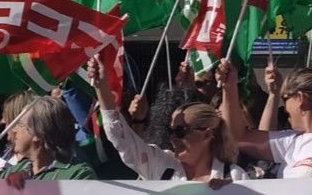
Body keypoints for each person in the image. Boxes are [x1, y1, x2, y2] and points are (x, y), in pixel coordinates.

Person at [89, 55, 244, 182]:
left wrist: (229, 194)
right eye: (171, 131)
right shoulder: (161, 166)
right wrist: (101, 86)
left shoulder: (234, 176)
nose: (173, 138)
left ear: (207, 134)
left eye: (180, 131)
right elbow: (119, 136)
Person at [0, 96, 96, 185]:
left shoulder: (78, 175)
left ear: (37, 133)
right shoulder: (11, 172)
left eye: (19, 124)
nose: (14, 130)